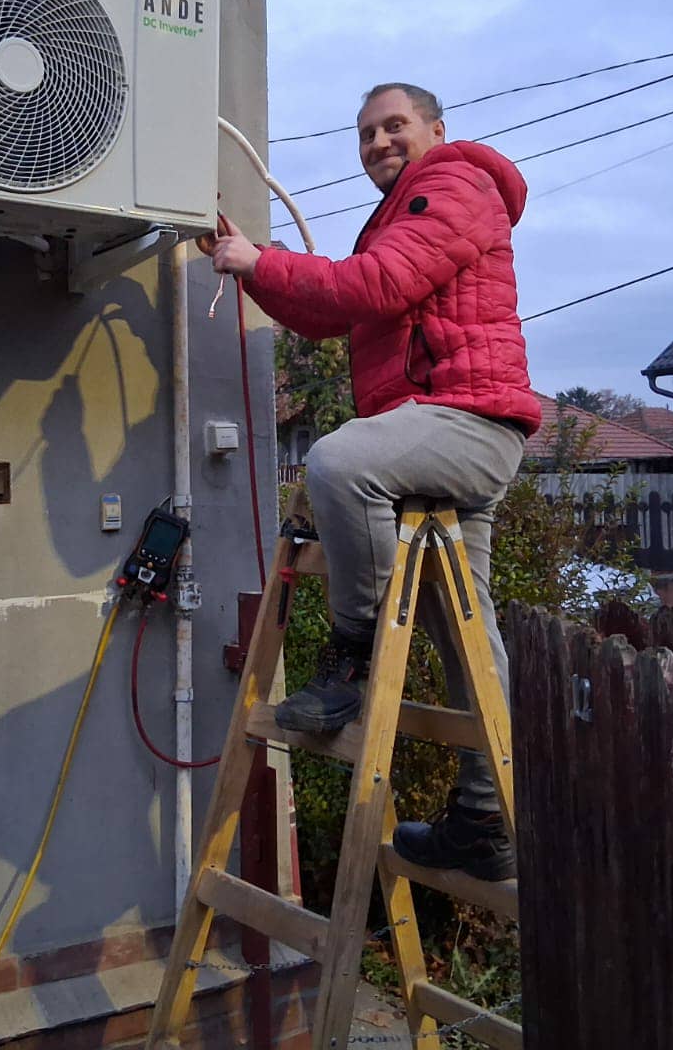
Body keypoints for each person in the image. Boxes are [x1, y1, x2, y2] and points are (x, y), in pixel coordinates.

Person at [202, 83, 541, 880]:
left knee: (340, 460)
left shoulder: (455, 183)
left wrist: (259, 258)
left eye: (395, 127)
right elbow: (332, 313)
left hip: (467, 422)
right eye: (365, 135)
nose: (380, 143)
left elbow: (373, 287)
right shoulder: (400, 213)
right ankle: (486, 821)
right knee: (463, 633)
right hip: (442, 431)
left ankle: (350, 660)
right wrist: (249, 264)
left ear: (436, 129)